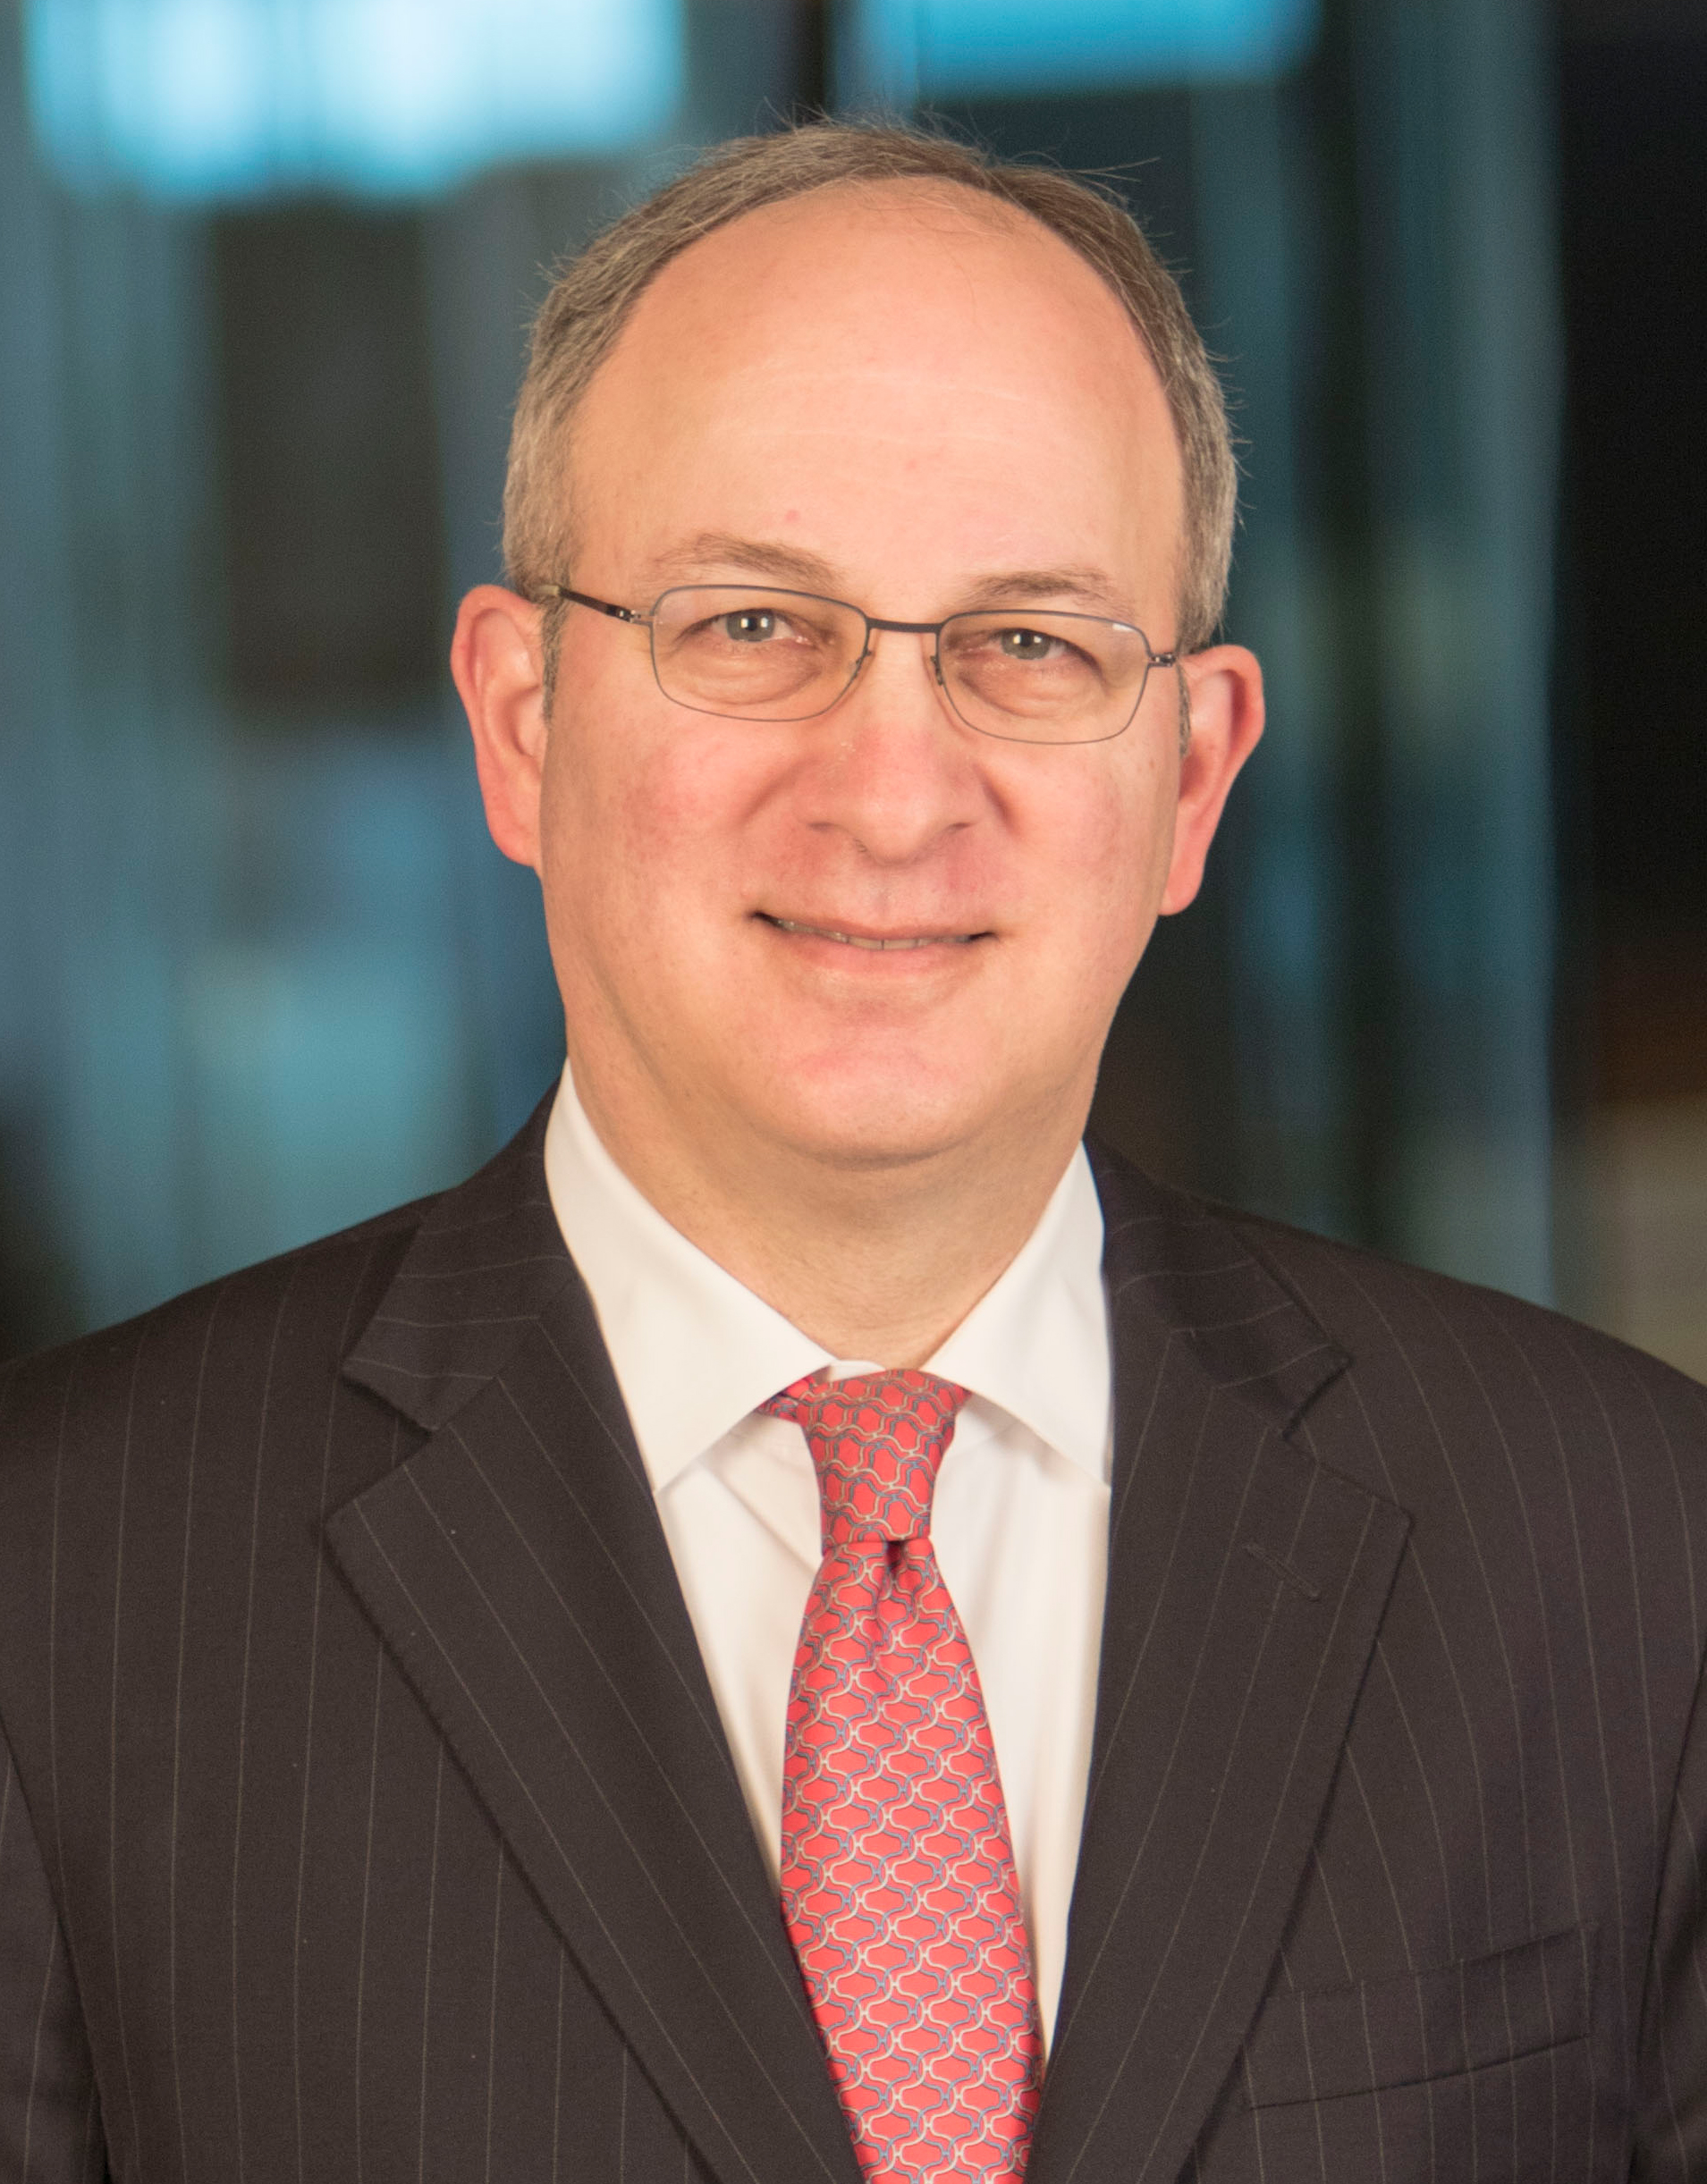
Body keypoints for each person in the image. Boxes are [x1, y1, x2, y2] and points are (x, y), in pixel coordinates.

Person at [0, 120, 1702, 2184]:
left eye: (1030, 644)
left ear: (1191, 777)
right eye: (748, 626)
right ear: (523, 722)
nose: (893, 796)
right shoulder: (58, 1594)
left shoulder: (1629, 1550)